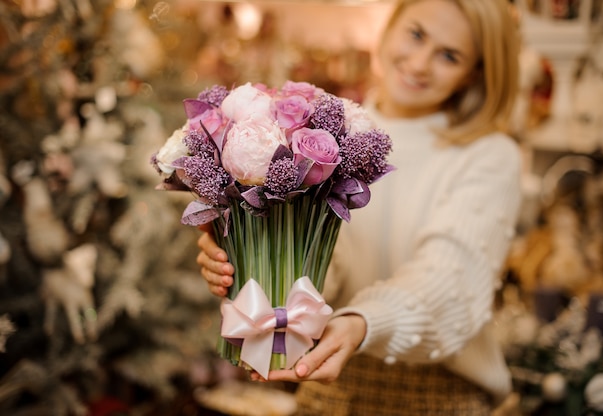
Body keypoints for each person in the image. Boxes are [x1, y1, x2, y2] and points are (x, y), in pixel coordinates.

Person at [197, 0, 521, 414]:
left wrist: (365, 323)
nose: (420, 63)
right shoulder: (330, 136)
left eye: (449, 55)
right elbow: (322, 274)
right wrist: (245, 254)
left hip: (441, 396)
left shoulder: (490, 155)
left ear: (474, 73)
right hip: (328, 385)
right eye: (417, 34)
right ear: (391, 27)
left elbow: (450, 284)